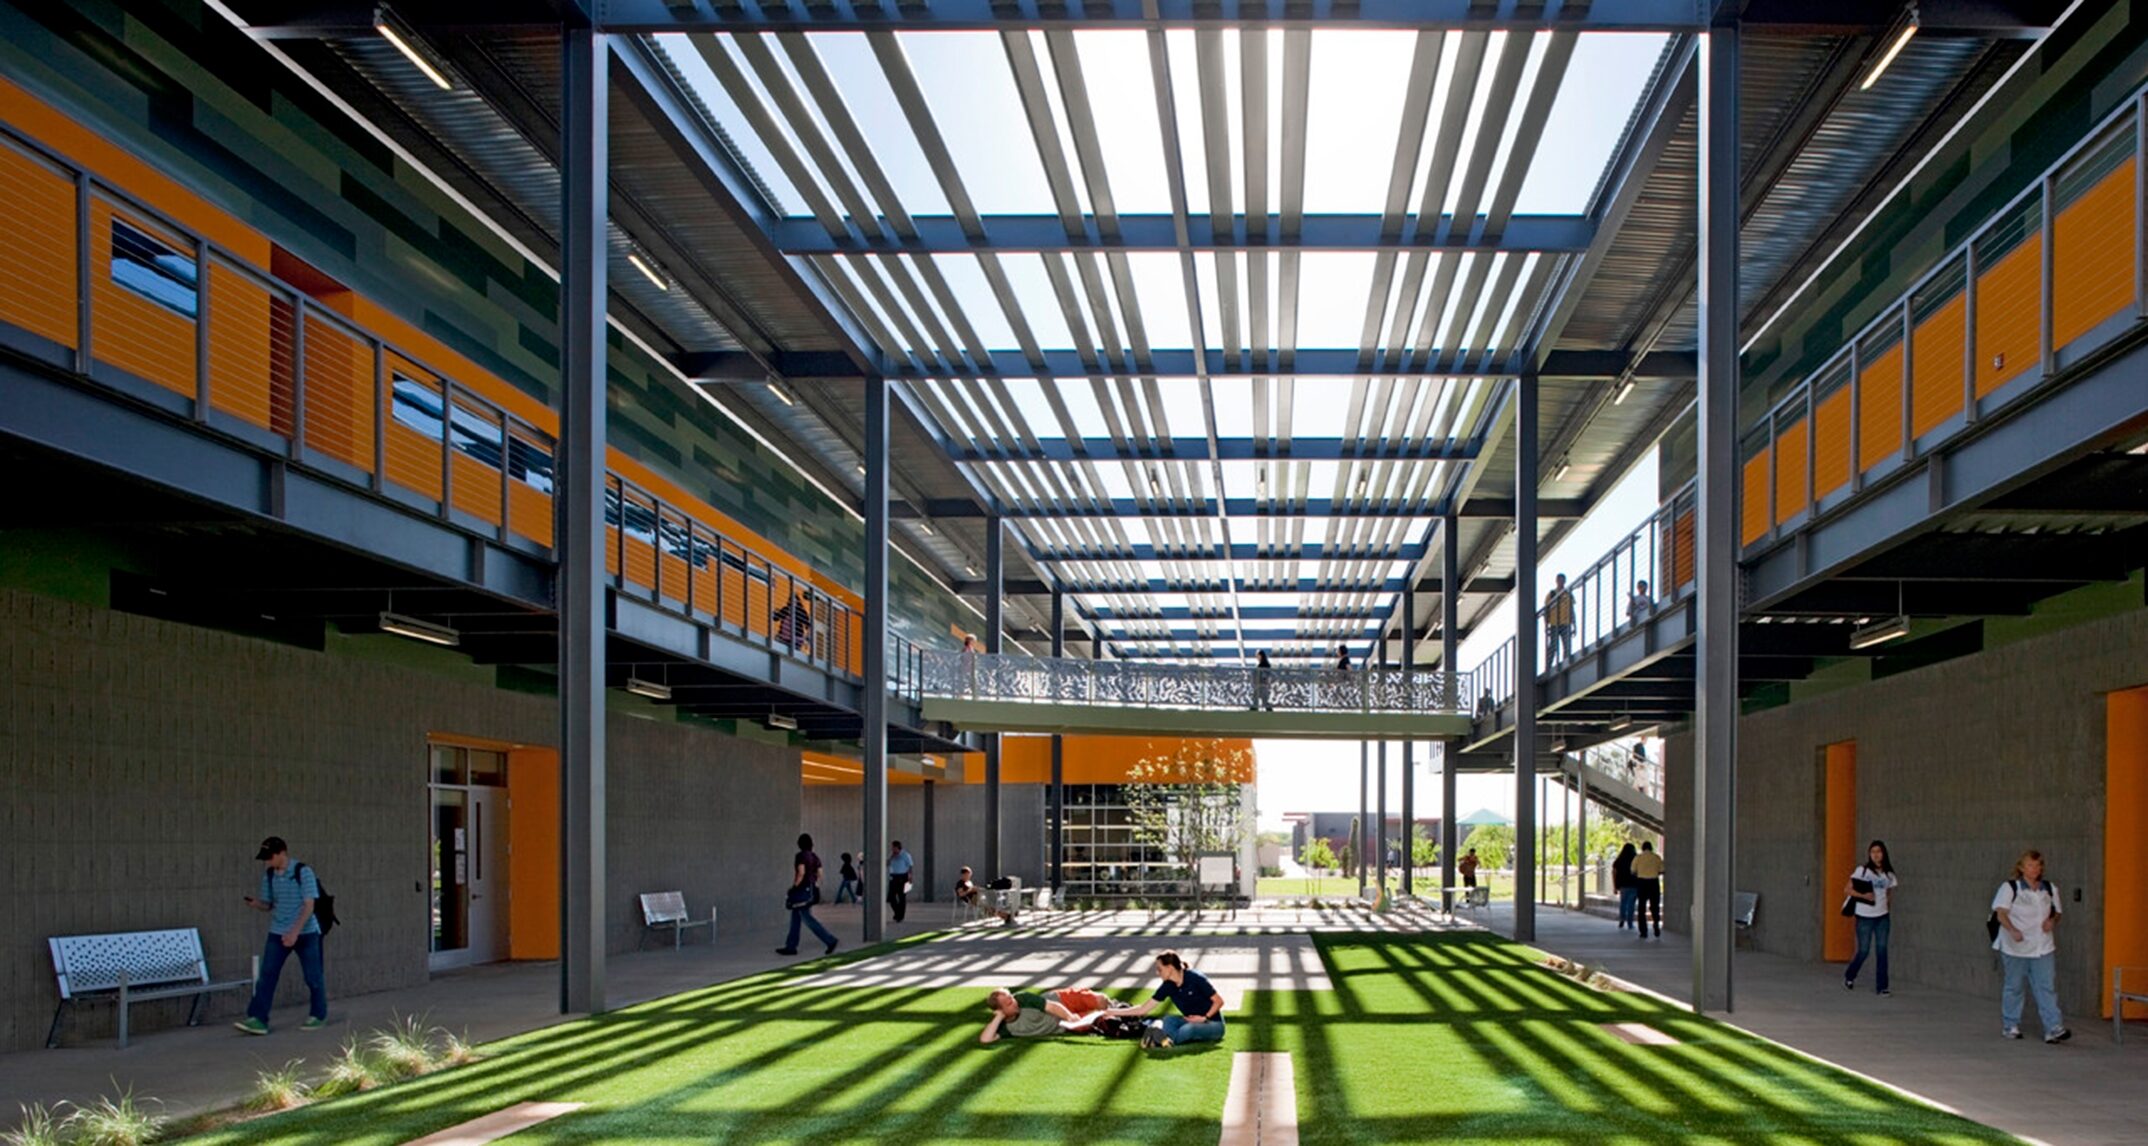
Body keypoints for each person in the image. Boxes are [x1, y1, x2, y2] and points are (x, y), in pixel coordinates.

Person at [233, 836, 327, 1035]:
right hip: (278, 931)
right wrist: (256, 904)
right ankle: (258, 1018)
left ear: (282, 853)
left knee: (313, 977)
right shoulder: (269, 875)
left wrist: (295, 932)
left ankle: (318, 1014)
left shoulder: (303, 872)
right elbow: (269, 904)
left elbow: (309, 905)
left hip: (306, 932)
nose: (268, 861)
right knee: (267, 974)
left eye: (271, 857)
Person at [1992, 849, 2068, 1043]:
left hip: (2042, 946)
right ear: (2021, 867)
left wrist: (2052, 921)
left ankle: (2053, 1027)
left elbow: (2057, 912)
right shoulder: (2011, 887)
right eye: (2030, 865)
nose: (2034, 869)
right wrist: (2012, 929)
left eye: (2037, 865)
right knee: (2015, 986)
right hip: (2016, 946)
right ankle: (2010, 1024)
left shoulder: (2049, 888)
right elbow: (2001, 912)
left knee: (2046, 986)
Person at [1101, 951, 1225, 1048]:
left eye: (1160, 969)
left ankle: (1161, 1040)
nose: (1157, 972)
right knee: (1169, 1020)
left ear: (1170, 968)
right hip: (1190, 1020)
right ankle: (1163, 1039)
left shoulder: (1196, 978)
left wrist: (1204, 1018)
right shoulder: (1168, 986)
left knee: (1189, 1029)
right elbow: (1143, 1009)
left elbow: (1219, 1001)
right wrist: (1110, 1012)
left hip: (1213, 1024)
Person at [1843, 839, 1898, 995]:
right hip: (1865, 916)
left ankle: (1882, 986)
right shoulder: (1862, 871)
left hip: (1882, 917)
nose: (1876, 855)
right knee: (1864, 950)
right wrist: (1864, 896)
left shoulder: (1889, 874)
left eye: (1878, 851)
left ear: (1883, 854)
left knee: (1882, 950)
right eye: (1873, 852)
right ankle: (1850, 974)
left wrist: (1887, 908)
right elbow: (1847, 890)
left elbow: (1888, 894)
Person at [977, 986, 1115, 1044]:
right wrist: (999, 1017)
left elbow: (1052, 1006)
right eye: (1008, 1004)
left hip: (1061, 1000)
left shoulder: (1023, 998)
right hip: (1062, 1024)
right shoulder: (1006, 1027)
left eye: (1012, 998)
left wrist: (1069, 1017)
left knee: (1099, 1000)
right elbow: (985, 1039)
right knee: (1103, 1019)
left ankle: (1117, 1005)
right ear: (1000, 1011)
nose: (1014, 1003)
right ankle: (1125, 1014)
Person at [778, 832, 838, 957]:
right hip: (810, 889)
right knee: (796, 916)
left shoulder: (800, 856)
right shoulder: (815, 857)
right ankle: (791, 946)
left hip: (801, 890)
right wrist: (815, 885)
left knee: (806, 917)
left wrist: (794, 887)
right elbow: (820, 875)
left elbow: (801, 873)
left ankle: (830, 940)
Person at [1631, 840, 1664, 938]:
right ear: (1651, 848)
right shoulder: (1656, 857)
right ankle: (1656, 925)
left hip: (1642, 883)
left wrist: (1640, 873)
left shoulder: (1638, 858)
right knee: (1655, 906)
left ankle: (1643, 931)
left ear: (1642, 848)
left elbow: (1633, 871)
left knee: (1641, 907)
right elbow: (1662, 871)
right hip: (1654, 882)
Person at [1545, 573, 1576, 665]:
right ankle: (1548, 666)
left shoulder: (1568, 594)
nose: (1561, 582)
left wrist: (1574, 625)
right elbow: (1546, 611)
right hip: (1554, 624)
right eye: (1559, 580)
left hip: (1566, 623)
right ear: (1556, 581)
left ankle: (1565, 664)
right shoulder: (1551, 594)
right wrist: (1546, 625)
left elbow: (1572, 610)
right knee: (1553, 647)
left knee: (1567, 646)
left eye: (1562, 580)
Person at [1611, 842, 1638, 930]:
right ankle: (1630, 923)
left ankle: (1622, 919)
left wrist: (1615, 886)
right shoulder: (1636, 859)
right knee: (1631, 905)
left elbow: (1614, 873)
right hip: (1634, 885)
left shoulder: (1619, 860)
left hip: (1623, 885)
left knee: (1623, 903)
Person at [886, 840, 914, 923]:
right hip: (893, 877)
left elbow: (910, 866)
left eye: (894, 848)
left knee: (902, 897)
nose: (893, 850)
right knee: (891, 897)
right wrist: (891, 857)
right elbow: (887, 864)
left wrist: (910, 878)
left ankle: (900, 916)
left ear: (898, 848)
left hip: (903, 877)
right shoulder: (892, 855)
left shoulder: (905, 855)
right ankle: (897, 912)